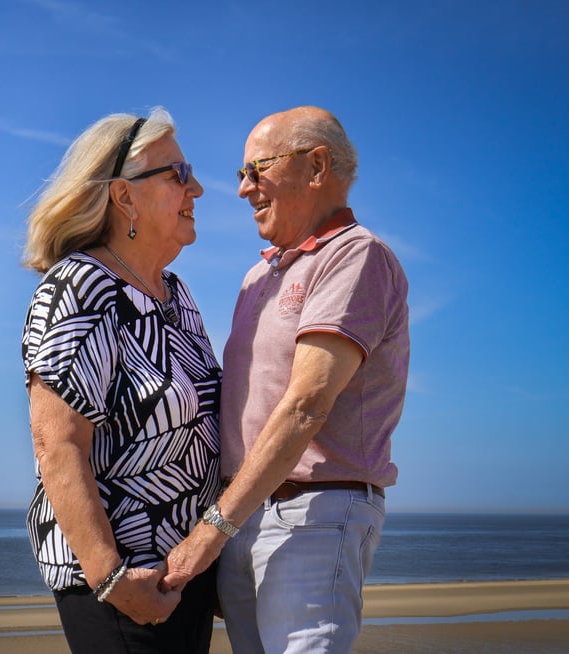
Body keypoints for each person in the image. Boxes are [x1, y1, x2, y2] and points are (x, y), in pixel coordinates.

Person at [165, 106, 410, 653]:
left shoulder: (356, 256)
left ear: (317, 166)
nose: (243, 189)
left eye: (258, 169)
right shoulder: (260, 274)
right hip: (248, 512)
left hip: (314, 512)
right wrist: (229, 528)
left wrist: (210, 533)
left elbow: (306, 405)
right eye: (241, 174)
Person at [21, 107, 222, 654]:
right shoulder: (81, 286)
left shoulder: (176, 295)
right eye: (178, 174)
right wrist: (111, 577)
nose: (198, 188)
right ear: (124, 196)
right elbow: (57, 443)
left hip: (183, 577)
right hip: (121, 587)